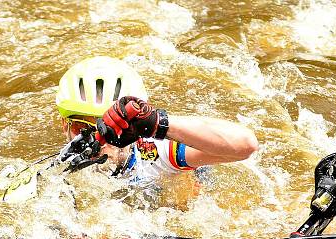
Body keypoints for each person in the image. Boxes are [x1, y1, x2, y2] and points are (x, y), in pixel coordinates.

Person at [55, 56, 258, 186]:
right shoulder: (60, 165)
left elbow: (246, 145)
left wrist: (158, 123)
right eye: (83, 127)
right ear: (65, 126)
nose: (101, 141)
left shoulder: (155, 151)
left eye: (113, 128)